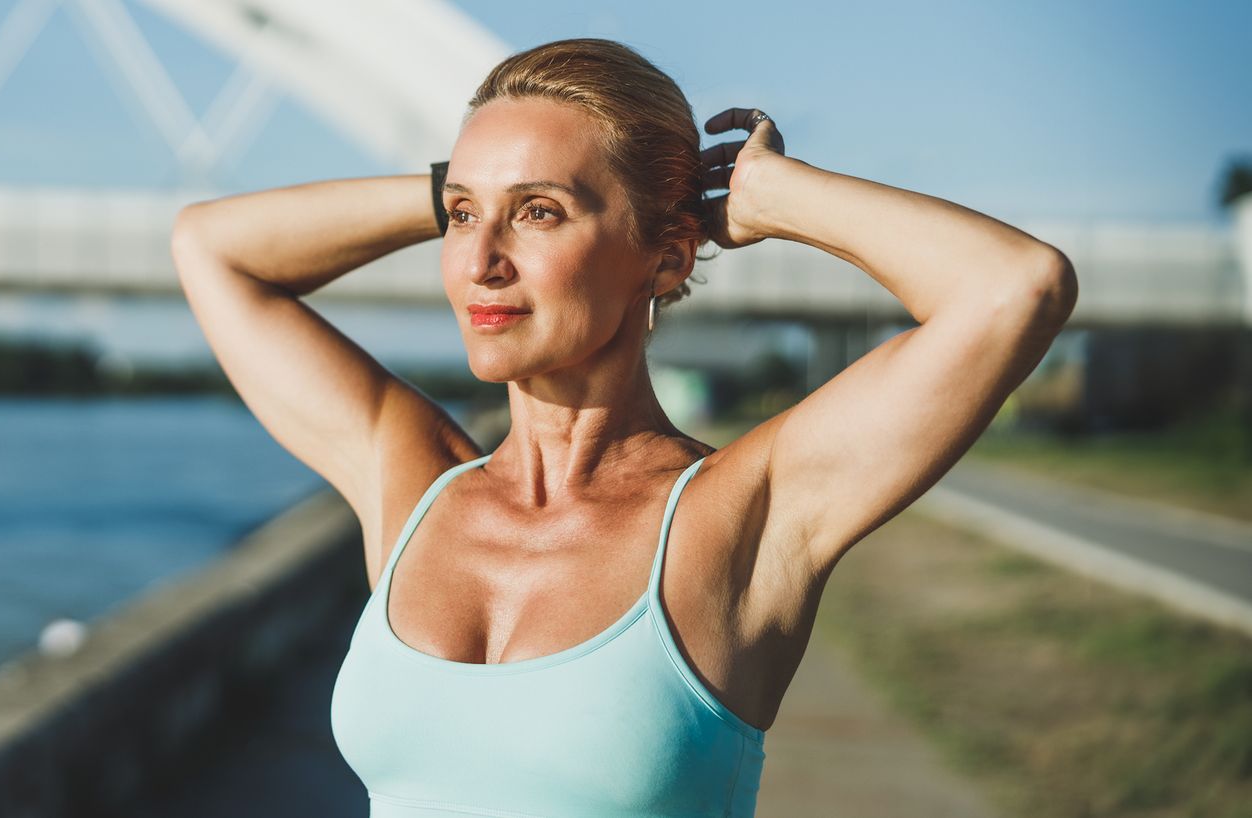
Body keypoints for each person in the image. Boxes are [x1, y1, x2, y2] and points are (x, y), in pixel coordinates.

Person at [171, 37, 1076, 818]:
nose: (480, 262)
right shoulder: (412, 487)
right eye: (460, 219)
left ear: (668, 255)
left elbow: (1013, 287)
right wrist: (464, 186)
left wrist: (768, 194)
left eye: (539, 212)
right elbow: (210, 247)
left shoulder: (740, 516)